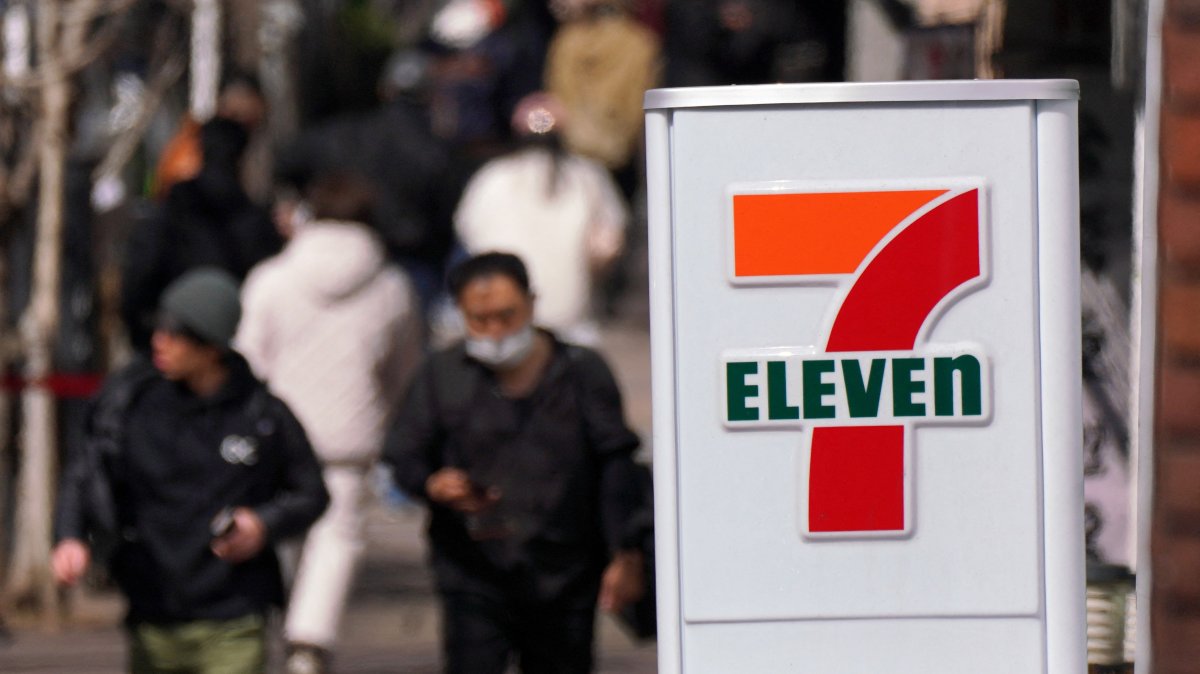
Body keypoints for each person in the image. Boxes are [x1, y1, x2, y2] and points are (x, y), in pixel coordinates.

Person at [52, 268, 329, 674]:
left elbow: (311, 493)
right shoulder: (131, 404)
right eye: (159, 327)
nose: (159, 342)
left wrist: (262, 524)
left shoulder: (261, 415)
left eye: (176, 333)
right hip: (153, 613)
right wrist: (71, 537)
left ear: (212, 347)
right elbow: (86, 472)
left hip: (234, 618)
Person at [384, 252, 647, 674]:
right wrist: (434, 484)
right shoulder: (441, 374)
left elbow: (616, 463)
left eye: (507, 315)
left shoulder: (582, 371)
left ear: (531, 303)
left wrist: (625, 553)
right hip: (472, 572)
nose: (495, 330)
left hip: (566, 573)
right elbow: (403, 455)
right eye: (479, 319)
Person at [236, 172, 423, 674]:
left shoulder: (271, 278)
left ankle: (276, 625)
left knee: (279, 533)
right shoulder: (391, 286)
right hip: (349, 435)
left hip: (275, 432)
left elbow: (248, 360)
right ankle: (309, 642)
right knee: (338, 535)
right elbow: (404, 369)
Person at [453, 93, 627, 346]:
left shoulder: (491, 178)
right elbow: (608, 244)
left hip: (505, 315)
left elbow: (469, 234)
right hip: (571, 313)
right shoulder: (588, 177)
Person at [122, 118, 283, 353]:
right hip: (231, 353)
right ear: (242, 158)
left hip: (171, 349)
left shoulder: (167, 214)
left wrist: (150, 342)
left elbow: (136, 285)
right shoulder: (257, 224)